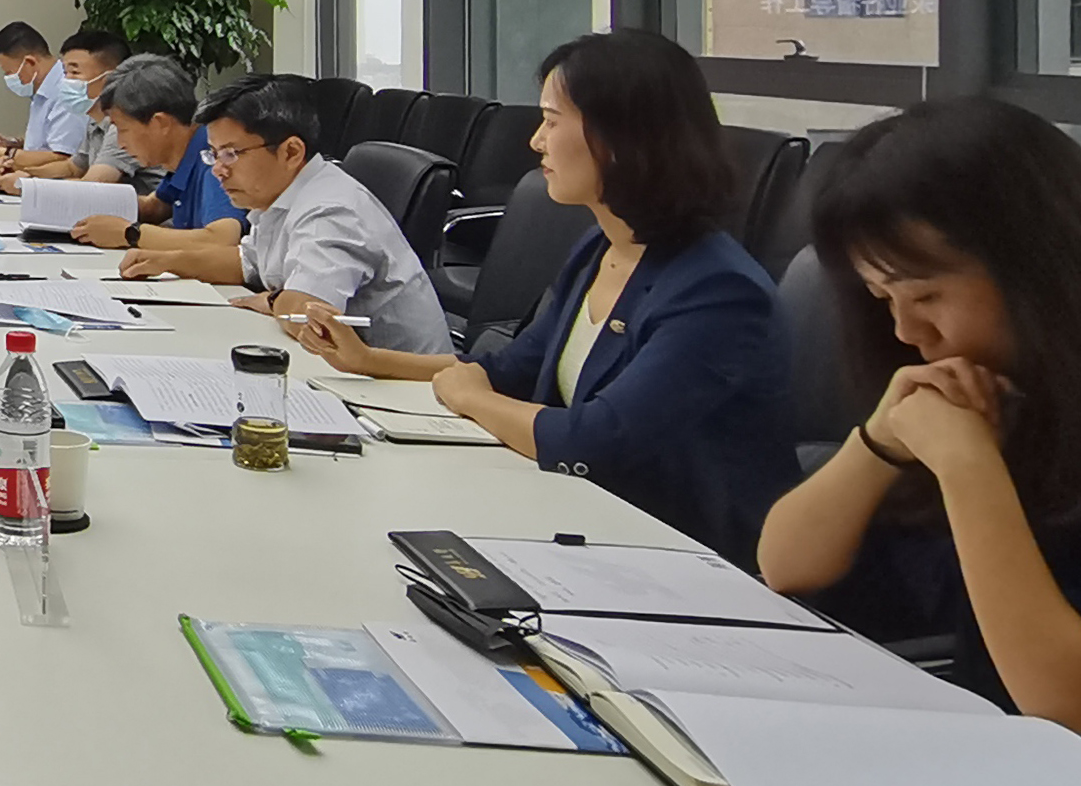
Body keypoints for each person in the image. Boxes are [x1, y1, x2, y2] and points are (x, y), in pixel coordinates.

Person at [756, 98, 1081, 786]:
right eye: (881, 298)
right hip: (999, 776)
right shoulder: (999, 389)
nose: (906, 332)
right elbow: (786, 564)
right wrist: (879, 440)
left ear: (1042, 267)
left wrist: (969, 469)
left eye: (926, 294)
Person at [296, 32, 793, 566]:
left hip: (682, 557)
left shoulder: (717, 291)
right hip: (586, 522)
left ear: (619, 136)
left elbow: (595, 441)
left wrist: (471, 400)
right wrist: (370, 360)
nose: (536, 141)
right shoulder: (601, 248)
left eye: (552, 121)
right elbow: (509, 369)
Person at [120, 73, 447, 355]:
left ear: (291, 151)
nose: (218, 169)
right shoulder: (281, 195)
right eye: (214, 154)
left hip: (404, 392)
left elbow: (309, 318)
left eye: (231, 154)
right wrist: (168, 261)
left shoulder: (331, 211)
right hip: (346, 370)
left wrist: (273, 301)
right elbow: (247, 263)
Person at [63, 55, 246, 250]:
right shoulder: (183, 156)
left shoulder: (213, 157)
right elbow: (155, 207)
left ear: (160, 123)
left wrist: (128, 234)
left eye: (122, 129)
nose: (120, 144)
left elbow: (223, 239)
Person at [0, 28, 129, 189]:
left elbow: (92, 186)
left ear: (109, 79)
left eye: (75, 72)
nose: (66, 81)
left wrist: (27, 184)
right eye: (65, 72)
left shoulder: (124, 127)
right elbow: (72, 167)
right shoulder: (95, 123)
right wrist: (23, 171)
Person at [0, 21, 87, 171]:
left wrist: (4, 153)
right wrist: (13, 143)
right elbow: (45, 141)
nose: (9, 78)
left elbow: (64, 157)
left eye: (9, 72)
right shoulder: (43, 90)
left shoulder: (66, 92)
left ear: (29, 62)